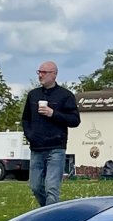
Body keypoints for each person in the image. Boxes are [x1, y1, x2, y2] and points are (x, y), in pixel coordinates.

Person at [21, 60, 81, 207]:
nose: (40, 75)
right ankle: (46, 211)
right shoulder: (33, 95)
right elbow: (25, 119)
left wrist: (53, 113)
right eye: (39, 72)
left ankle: (51, 220)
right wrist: (30, 135)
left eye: (44, 72)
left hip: (56, 147)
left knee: (52, 188)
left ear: (54, 75)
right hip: (36, 148)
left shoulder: (65, 96)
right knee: (35, 186)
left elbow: (75, 120)